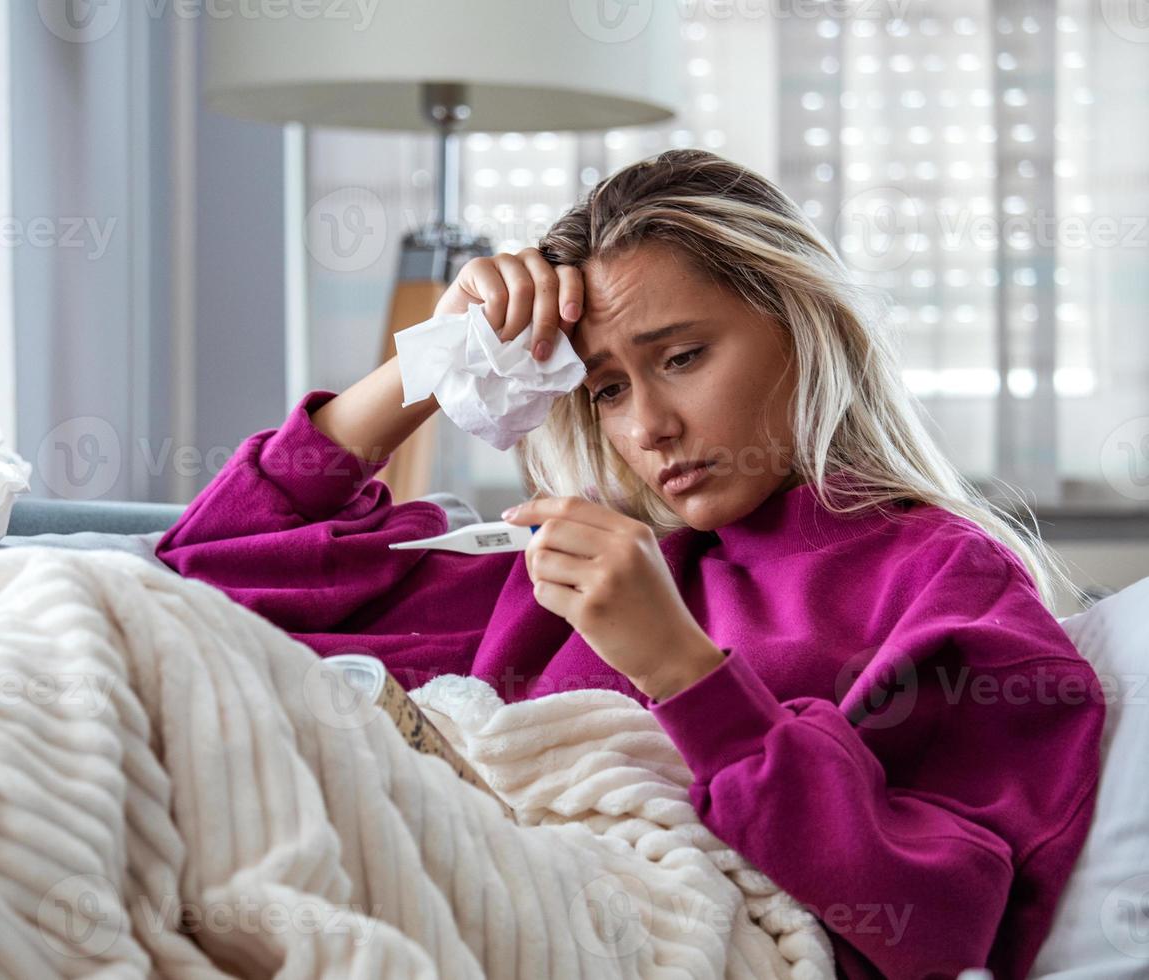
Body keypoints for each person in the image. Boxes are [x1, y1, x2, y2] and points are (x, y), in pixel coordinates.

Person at [155, 148, 1104, 978]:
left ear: (803, 327)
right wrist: (426, 364)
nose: (648, 427)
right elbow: (202, 582)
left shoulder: (941, 582)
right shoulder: (581, 569)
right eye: (607, 388)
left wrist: (682, 672)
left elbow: (941, 923)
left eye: (683, 356)